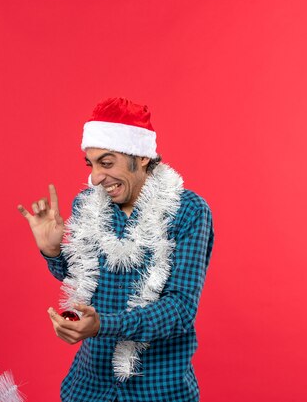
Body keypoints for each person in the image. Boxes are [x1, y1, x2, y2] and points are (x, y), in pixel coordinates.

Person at [18, 97, 214, 402]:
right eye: (92, 164)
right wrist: (53, 250)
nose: (96, 177)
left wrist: (103, 325)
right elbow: (83, 279)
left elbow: (180, 309)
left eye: (106, 163)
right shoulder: (89, 206)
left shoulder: (187, 211)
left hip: (158, 390)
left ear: (142, 157)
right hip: (88, 387)